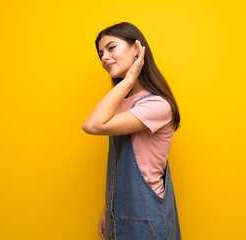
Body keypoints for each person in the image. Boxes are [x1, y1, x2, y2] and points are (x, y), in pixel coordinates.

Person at [82, 22, 181, 240]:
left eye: (111, 48)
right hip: (120, 214)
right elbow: (120, 165)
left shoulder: (156, 105)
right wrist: (109, 210)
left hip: (145, 220)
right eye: (100, 53)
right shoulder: (122, 104)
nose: (104, 58)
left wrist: (129, 79)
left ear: (136, 49)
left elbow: (91, 125)